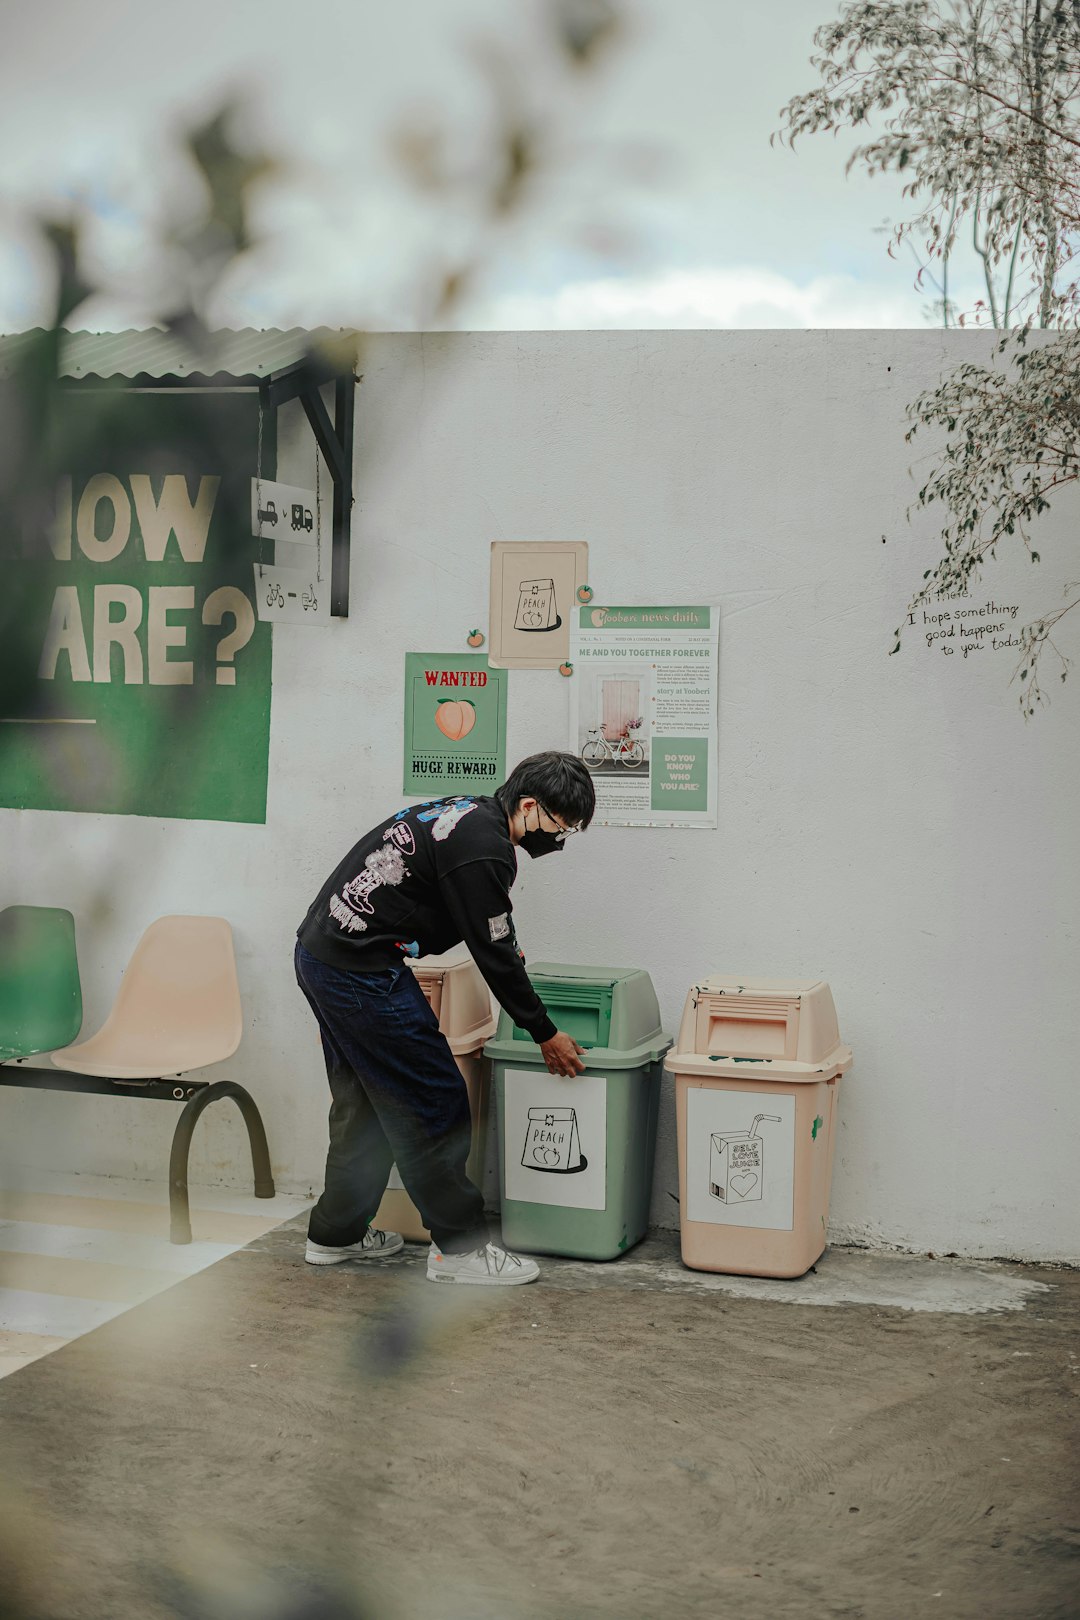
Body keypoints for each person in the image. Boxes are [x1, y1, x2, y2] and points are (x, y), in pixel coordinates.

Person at [294, 751, 596, 1286]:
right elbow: (494, 951)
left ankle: (334, 1235)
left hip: (323, 953)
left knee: (364, 1101)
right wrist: (544, 1032)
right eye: (560, 827)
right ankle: (460, 1252)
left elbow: (470, 920)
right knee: (433, 1097)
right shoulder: (486, 849)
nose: (560, 840)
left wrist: (488, 943)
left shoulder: (467, 814)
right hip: (358, 971)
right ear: (529, 806)